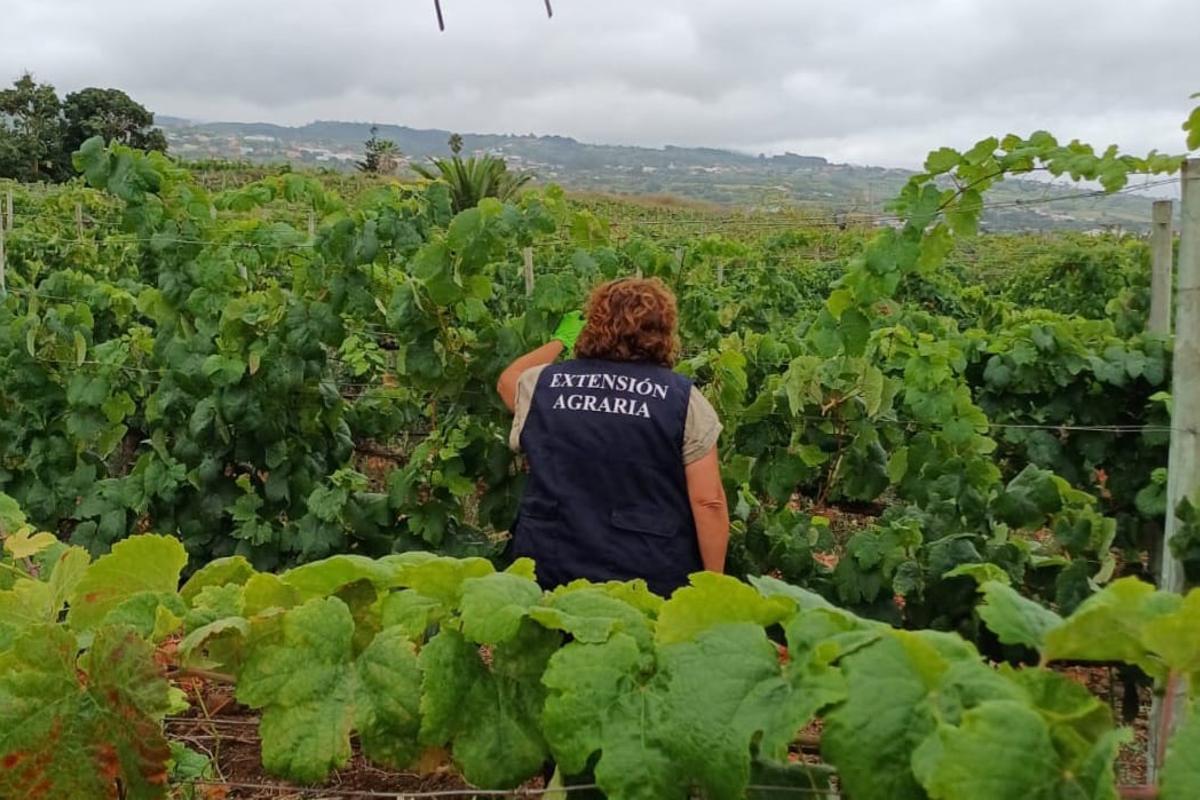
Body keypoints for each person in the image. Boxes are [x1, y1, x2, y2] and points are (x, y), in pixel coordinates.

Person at [496, 277, 729, 597]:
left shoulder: (541, 385)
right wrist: (713, 585)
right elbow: (709, 501)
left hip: (551, 567)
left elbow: (507, 380)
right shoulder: (684, 400)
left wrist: (560, 342)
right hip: (644, 575)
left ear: (592, 325)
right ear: (664, 332)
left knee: (554, 643)